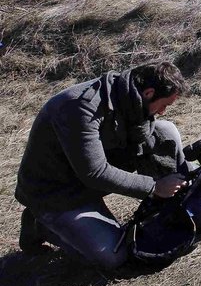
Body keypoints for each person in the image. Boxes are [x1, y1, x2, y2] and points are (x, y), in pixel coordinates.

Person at [16, 61, 191, 269]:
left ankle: (179, 202)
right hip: (56, 194)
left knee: (165, 131)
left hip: (86, 178)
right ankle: (41, 224)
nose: (163, 111)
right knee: (113, 256)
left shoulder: (127, 97)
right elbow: (95, 172)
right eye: (164, 105)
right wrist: (154, 187)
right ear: (149, 93)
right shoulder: (79, 107)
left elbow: (141, 139)